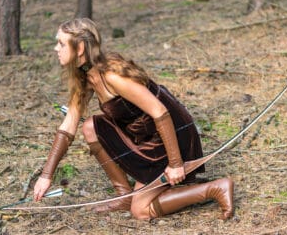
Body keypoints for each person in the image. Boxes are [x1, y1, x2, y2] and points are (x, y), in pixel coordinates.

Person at [33, 18, 234, 220]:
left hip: (169, 137)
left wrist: (175, 163)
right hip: (144, 136)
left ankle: (215, 188)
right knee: (90, 126)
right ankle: (125, 195)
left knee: (141, 211)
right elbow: (68, 126)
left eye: (61, 43)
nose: (55, 48)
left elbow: (160, 112)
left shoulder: (112, 75)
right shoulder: (86, 75)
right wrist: (46, 175)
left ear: (80, 48)